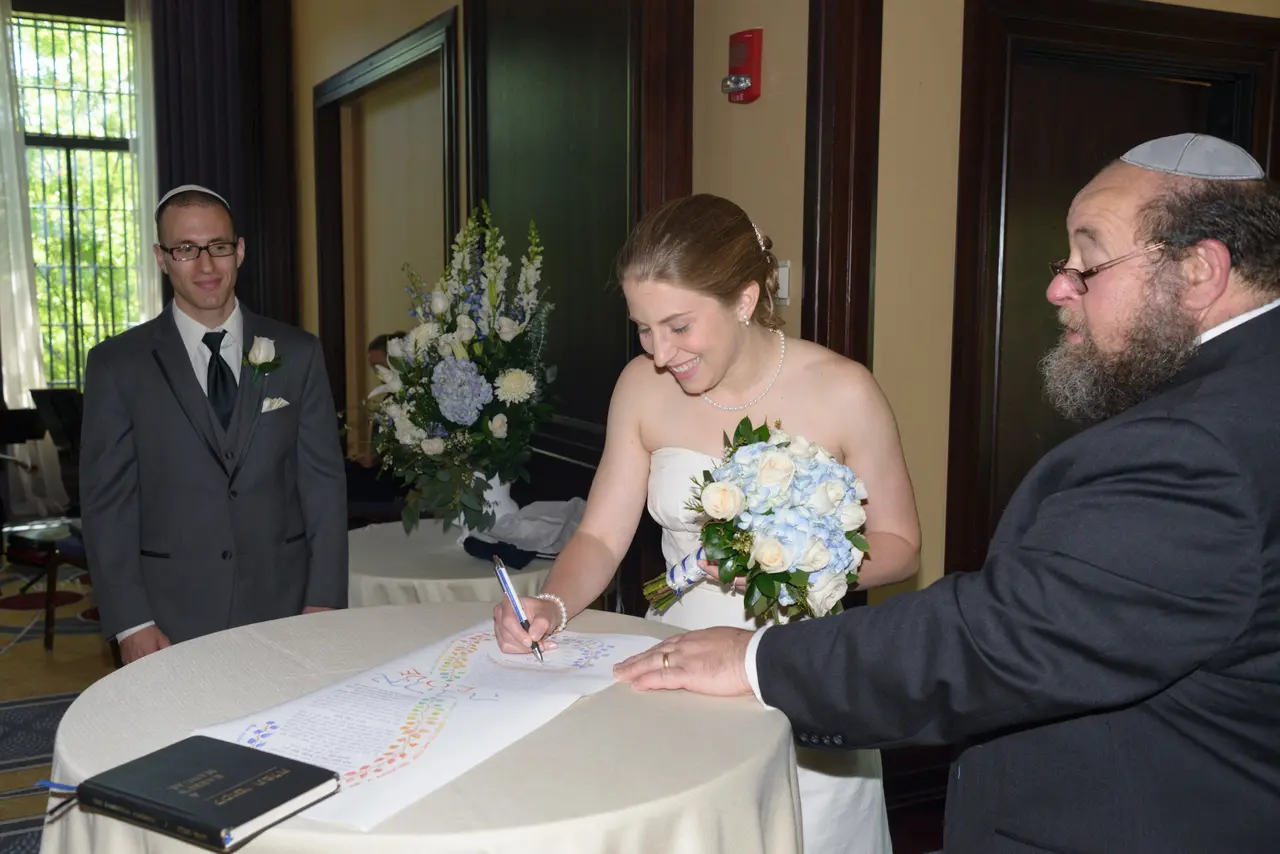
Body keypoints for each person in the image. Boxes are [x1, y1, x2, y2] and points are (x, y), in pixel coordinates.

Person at [614, 133, 1280, 853]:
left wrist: (756, 661)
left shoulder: (1196, 447)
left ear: (1198, 270)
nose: (1059, 287)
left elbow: (1001, 638)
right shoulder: (1246, 390)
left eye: (1088, 263)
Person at [493, 194, 922, 853]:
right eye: (643, 329)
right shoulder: (641, 387)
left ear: (744, 300)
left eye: (678, 327)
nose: (661, 353)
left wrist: (792, 561)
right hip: (676, 667)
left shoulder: (843, 390)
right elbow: (601, 536)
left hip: (800, 674)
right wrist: (550, 604)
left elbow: (901, 547)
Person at [80, 184, 348, 664]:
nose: (206, 266)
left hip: (284, 607)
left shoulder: (299, 353)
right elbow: (108, 505)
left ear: (239, 251)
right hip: (168, 617)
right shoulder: (117, 365)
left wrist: (325, 599)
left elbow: (322, 484)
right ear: (162, 258)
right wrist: (131, 622)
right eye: (186, 249)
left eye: (218, 247)